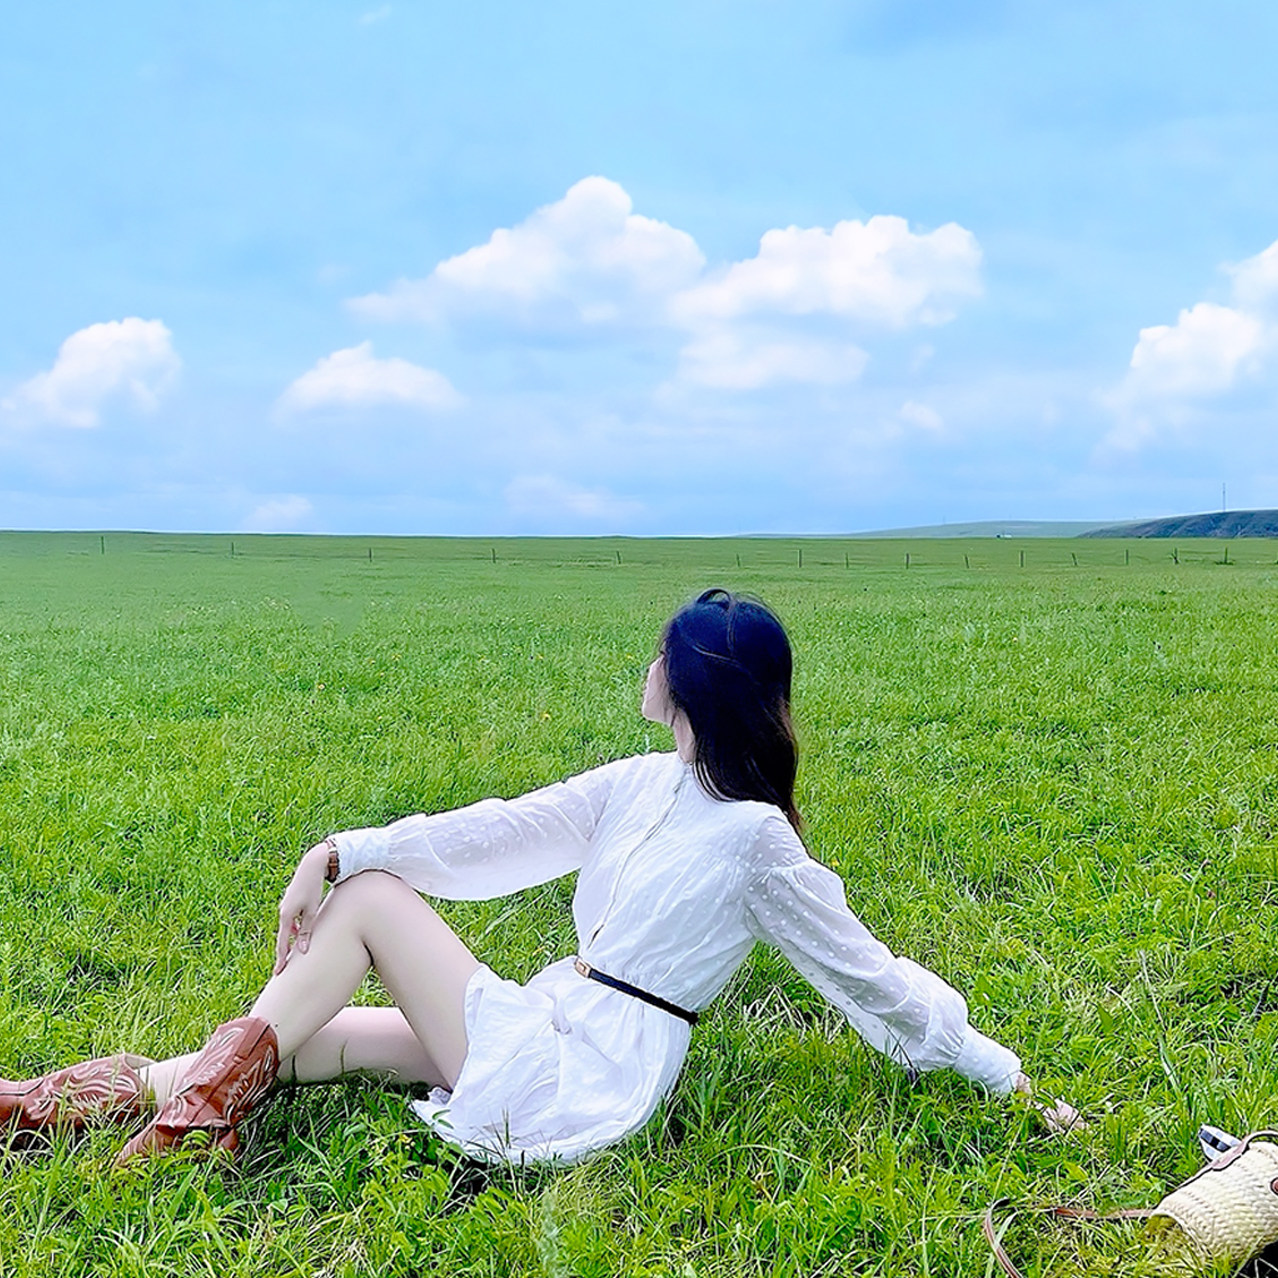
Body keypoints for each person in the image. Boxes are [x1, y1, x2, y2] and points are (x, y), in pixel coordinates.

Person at [1, 589, 1070, 1165]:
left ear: (687, 680)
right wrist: (336, 846)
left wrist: (999, 1072)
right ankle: (54, 1107)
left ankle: (186, 1134)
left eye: (658, 655)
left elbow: (868, 974)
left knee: (373, 907)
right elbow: (495, 834)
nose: (644, 669)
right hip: (543, 1021)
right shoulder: (640, 782)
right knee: (313, 1042)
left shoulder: (755, 842)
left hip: (589, 1073)